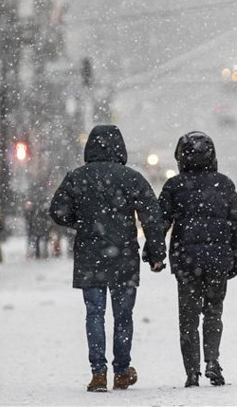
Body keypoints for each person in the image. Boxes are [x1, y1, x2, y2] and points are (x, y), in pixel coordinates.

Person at [50, 124, 166, 393]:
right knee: (123, 315)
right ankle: (122, 371)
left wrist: (80, 221)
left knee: (95, 313)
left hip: (90, 254)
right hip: (123, 254)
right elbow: (152, 216)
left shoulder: (77, 178)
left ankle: (98, 373)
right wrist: (156, 253)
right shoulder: (132, 178)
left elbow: (57, 211)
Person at [158, 131, 237, 388]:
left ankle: (192, 370)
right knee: (213, 312)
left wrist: (154, 252)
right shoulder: (224, 184)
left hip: (186, 261)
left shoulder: (174, 186)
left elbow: (161, 222)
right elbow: (236, 224)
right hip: (218, 260)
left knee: (188, 317)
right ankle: (212, 361)